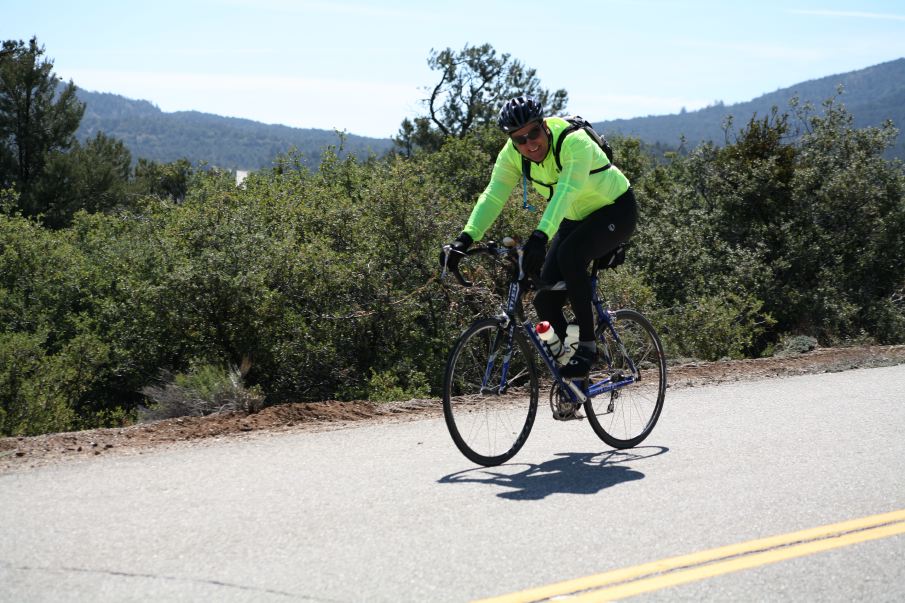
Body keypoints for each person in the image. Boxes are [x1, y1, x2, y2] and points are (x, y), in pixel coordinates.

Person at [441, 96, 638, 378]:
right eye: (520, 139)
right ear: (512, 140)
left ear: (544, 125)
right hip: (573, 218)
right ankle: (575, 373)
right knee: (544, 300)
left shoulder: (574, 141)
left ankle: (587, 346)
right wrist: (465, 239)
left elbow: (566, 190)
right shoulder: (512, 154)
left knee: (572, 256)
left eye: (534, 133)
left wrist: (540, 236)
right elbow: (493, 196)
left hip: (615, 210)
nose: (530, 144)